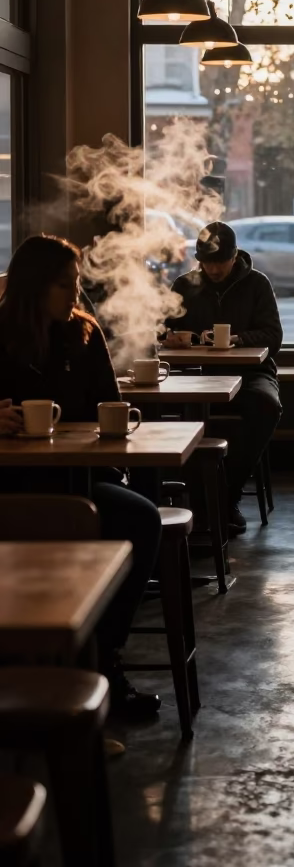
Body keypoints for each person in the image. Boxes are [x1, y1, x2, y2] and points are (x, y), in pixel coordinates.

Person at [0, 234, 163, 720]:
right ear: (35, 287)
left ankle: (103, 660)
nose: (77, 294)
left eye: (78, 284)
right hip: (11, 485)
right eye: (67, 285)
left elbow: (110, 408)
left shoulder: (84, 335)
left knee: (141, 518)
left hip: (78, 479)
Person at [165, 221, 283, 532]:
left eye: (220, 262)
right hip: (195, 374)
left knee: (266, 406)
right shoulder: (184, 285)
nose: (214, 269)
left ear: (235, 257)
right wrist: (170, 336)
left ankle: (225, 496)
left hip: (250, 372)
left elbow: (273, 336)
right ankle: (193, 499)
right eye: (207, 262)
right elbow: (159, 327)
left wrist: (238, 340)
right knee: (170, 411)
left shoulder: (257, 284)